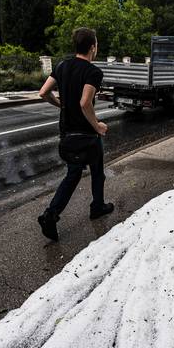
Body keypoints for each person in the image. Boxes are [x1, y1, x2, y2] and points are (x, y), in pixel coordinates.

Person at [37, 27, 114, 241]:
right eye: (96, 44)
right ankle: (89, 208)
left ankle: (58, 214)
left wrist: (60, 104)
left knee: (79, 172)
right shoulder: (93, 72)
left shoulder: (62, 66)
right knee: (92, 171)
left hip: (67, 133)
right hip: (86, 135)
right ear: (92, 47)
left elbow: (43, 92)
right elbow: (85, 103)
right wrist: (98, 126)